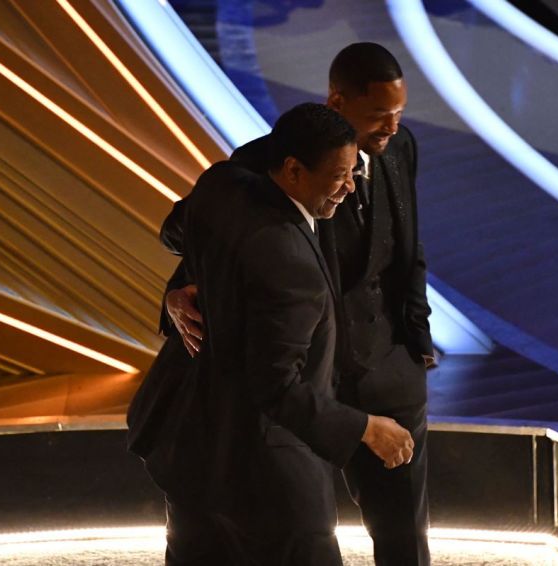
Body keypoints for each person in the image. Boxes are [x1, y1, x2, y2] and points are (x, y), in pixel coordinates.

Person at [162, 43, 435, 565]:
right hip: (302, 386)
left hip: (389, 374)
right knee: (302, 531)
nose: (392, 128)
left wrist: (417, 343)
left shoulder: (400, 150)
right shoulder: (262, 163)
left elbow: (410, 249)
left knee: (405, 537)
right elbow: (190, 233)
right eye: (379, 115)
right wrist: (177, 296)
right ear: (337, 102)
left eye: (399, 113)